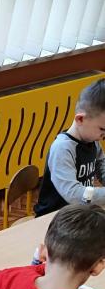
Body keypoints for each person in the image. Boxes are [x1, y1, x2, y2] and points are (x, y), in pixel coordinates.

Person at [35, 78, 105, 216]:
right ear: (80, 119)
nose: (104, 135)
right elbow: (73, 194)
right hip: (56, 217)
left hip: (79, 211)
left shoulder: (92, 138)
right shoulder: (62, 148)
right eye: (102, 129)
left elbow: (101, 163)